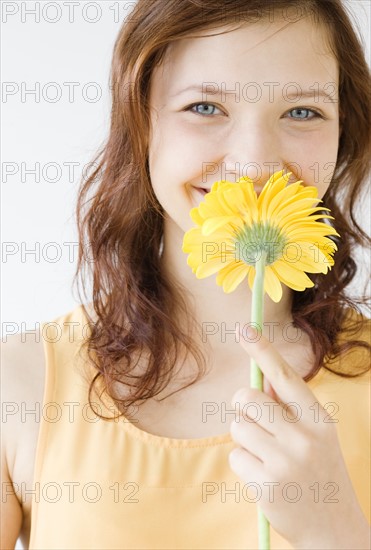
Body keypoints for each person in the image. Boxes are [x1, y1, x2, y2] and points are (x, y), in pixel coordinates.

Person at [2, 0, 370, 548]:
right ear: (140, 124)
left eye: (301, 112)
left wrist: (336, 531)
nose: (253, 163)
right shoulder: (23, 383)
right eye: (204, 106)